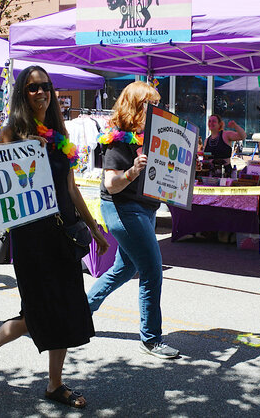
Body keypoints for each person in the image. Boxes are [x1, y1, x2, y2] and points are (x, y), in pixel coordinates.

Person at [0, 66, 109, 408]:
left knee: (64, 306)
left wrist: (94, 228)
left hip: (62, 233)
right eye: (33, 88)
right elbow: (1, 181)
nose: (41, 93)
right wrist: (22, 152)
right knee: (35, 312)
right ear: (23, 93)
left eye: (45, 87)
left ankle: (54, 385)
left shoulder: (59, 134)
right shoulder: (11, 132)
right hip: (31, 236)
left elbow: (71, 187)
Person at [86, 81, 179, 360]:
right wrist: (133, 172)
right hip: (124, 209)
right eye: (151, 104)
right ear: (137, 107)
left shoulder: (149, 137)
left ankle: (77, 312)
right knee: (151, 270)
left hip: (143, 209)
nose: (157, 108)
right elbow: (112, 184)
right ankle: (151, 339)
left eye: (158, 103)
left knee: (123, 269)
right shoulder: (118, 139)